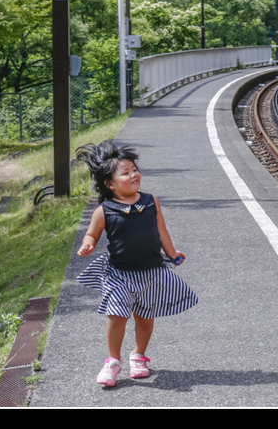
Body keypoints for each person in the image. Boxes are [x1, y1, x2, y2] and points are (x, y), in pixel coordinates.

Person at [75, 141, 197, 386]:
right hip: (118, 275)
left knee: (144, 317)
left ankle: (138, 356)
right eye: (126, 172)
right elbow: (92, 234)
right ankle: (112, 361)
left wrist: (172, 253)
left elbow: (161, 231)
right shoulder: (104, 210)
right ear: (110, 183)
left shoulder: (151, 202)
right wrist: (87, 244)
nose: (134, 175)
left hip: (151, 273)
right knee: (116, 315)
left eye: (135, 169)